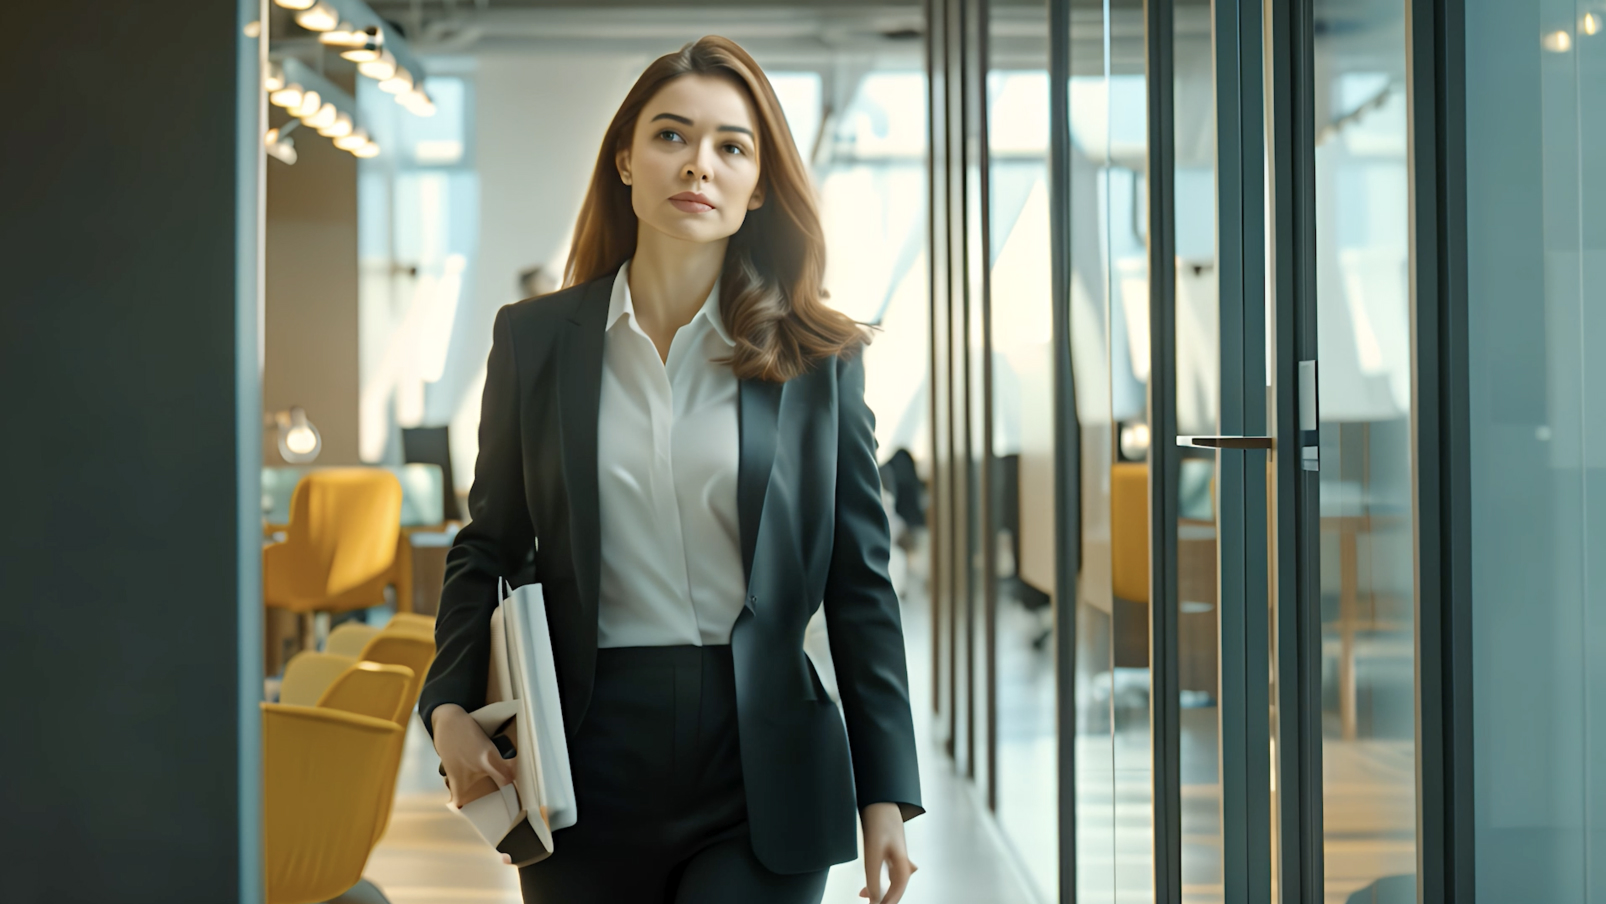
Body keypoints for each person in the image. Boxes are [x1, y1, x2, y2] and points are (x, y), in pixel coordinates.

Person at [418, 35, 923, 904]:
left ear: (758, 184)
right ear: (625, 157)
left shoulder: (818, 361)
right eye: (671, 136)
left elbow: (859, 584)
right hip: (584, 755)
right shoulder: (535, 340)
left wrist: (886, 788)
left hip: (761, 759)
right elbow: (489, 542)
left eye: (732, 146)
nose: (699, 165)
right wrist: (448, 707)